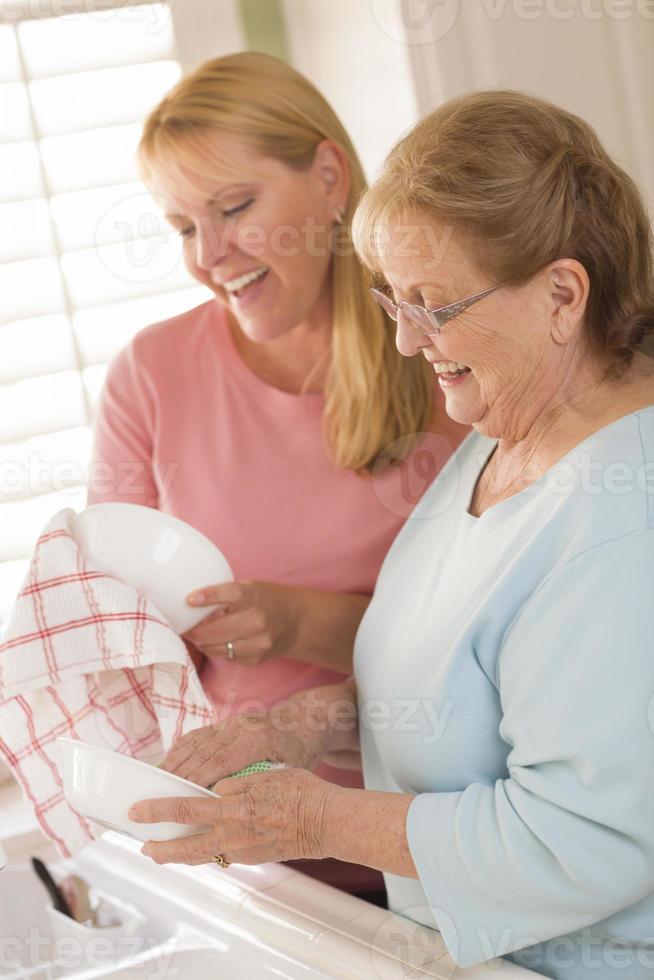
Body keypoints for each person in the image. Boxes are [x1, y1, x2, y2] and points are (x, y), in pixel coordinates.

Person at [128, 91, 654, 979]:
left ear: (561, 295)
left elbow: (583, 837)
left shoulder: (620, 520)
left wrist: (316, 818)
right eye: (392, 300)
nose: (408, 343)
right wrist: (303, 726)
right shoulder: (500, 432)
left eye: (434, 306)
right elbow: (466, 703)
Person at [87, 51, 468, 903]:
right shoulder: (150, 374)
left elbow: (485, 643)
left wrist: (298, 622)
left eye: (235, 208)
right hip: (240, 850)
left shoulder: (441, 357)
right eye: (183, 227)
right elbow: (118, 635)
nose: (210, 254)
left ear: (329, 178)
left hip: (427, 838)